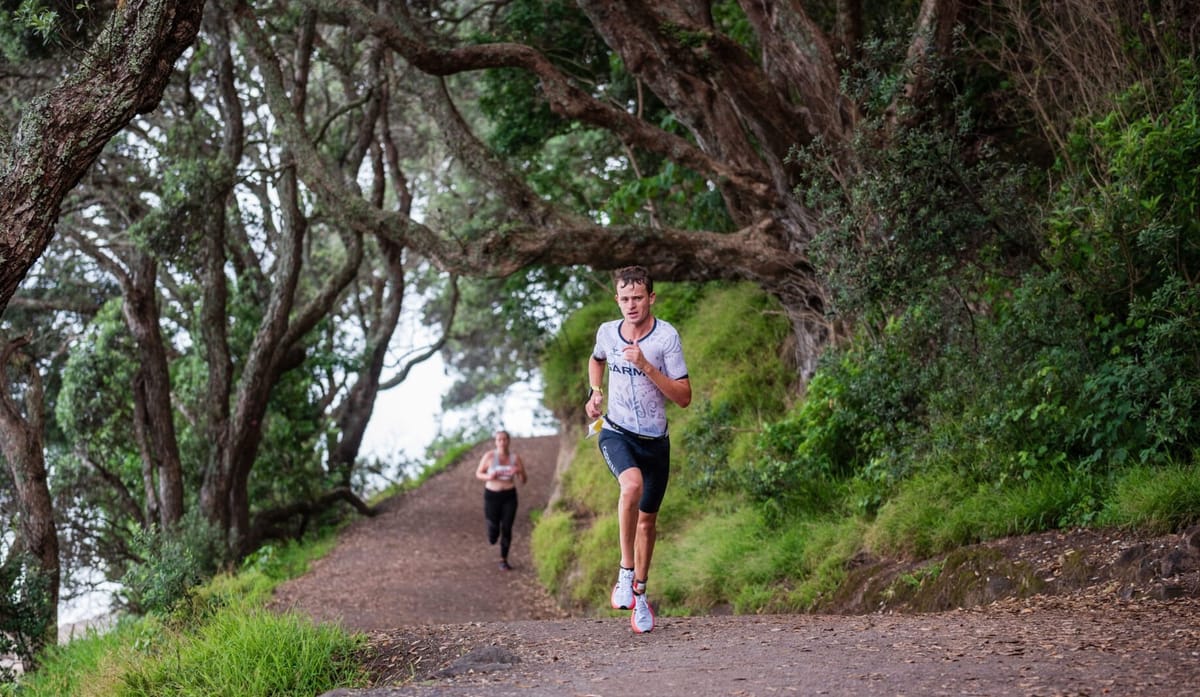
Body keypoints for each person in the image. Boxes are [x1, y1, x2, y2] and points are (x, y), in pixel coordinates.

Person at [584, 265, 692, 633]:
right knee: (630, 486)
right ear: (617, 299)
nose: (631, 305)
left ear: (651, 298)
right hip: (616, 431)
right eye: (624, 299)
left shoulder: (666, 339)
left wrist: (646, 365)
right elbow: (596, 360)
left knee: (647, 522)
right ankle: (625, 573)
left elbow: (684, 397)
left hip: (655, 442)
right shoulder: (607, 333)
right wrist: (595, 393)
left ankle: (641, 597)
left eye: (637, 298)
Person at [475, 429, 528, 571]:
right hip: (492, 495)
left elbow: (524, 480)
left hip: (509, 496)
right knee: (493, 531)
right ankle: (492, 532)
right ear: (496, 442)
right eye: (499, 440)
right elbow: (478, 473)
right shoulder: (490, 456)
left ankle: (503, 559)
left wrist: (518, 472)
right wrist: (489, 477)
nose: (502, 442)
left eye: (505, 439)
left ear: (509, 441)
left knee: (507, 527)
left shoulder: (515, 458)